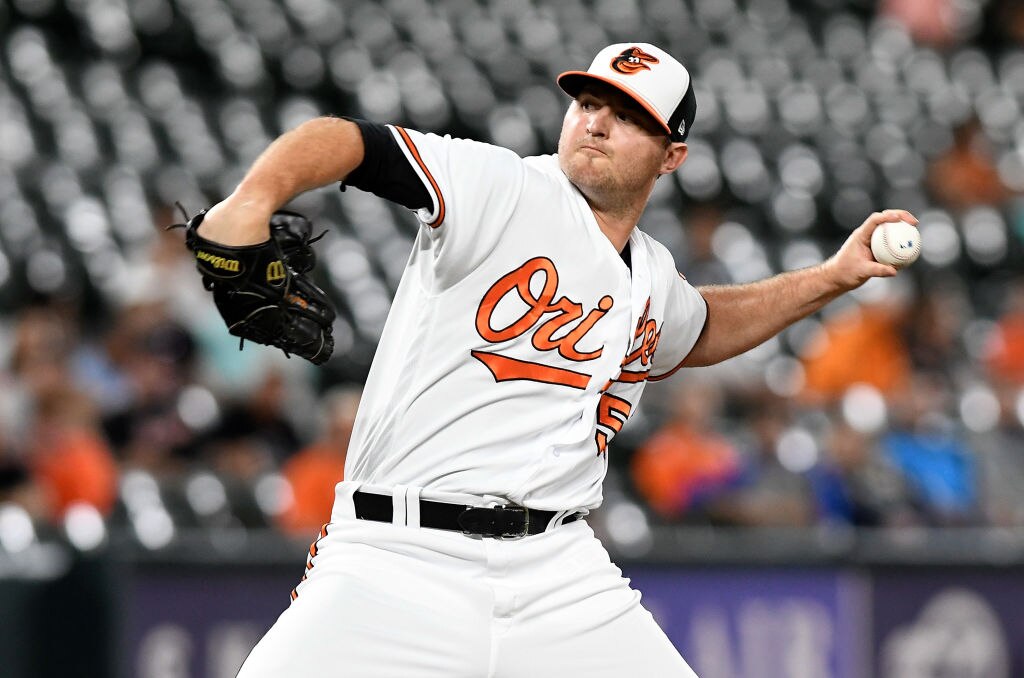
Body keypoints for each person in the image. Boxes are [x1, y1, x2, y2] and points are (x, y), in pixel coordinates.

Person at [194, 42, 915, 677]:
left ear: (673, 156)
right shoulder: (500, 187)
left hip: (557, 572)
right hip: (396, 557)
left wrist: (833, 276)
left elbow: (698, 330)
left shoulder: (652, 276)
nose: (597, 121)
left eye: (628, 116)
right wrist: (253, 198)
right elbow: (350, 141)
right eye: (590, 103)